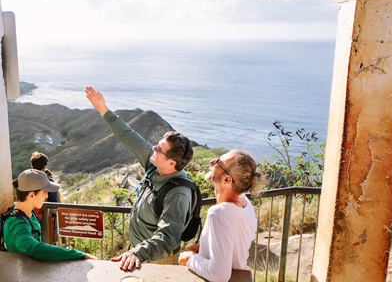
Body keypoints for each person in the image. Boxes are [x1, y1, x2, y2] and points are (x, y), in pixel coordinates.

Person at [85, 87, 196, 270]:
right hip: (138, 252)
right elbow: (129, 136)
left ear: (172, 163)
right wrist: (104, 110)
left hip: (157, 259)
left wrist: (138, 252)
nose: (153, 148)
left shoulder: (178, 193)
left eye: (159, 150)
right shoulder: (155, 165)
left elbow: (168, 237)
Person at [178, 150, 267, 282]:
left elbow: (219, 275)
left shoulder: (219, 213)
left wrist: (190, 258)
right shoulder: (244, 202)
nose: (211, 162)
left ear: (227, 180)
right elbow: (235, 241)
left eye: (218, 162)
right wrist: (205, 245)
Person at [2, 169, 97, 261]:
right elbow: (35, 249)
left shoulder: (26, 212)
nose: (47, 196)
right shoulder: (17, 224)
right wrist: (80, 255)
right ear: (31, 195)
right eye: (44, 192)